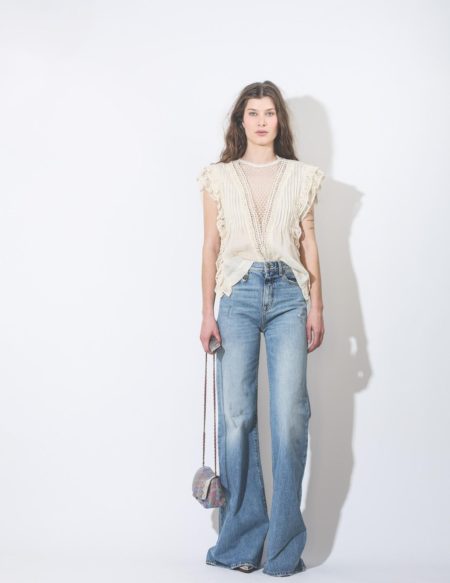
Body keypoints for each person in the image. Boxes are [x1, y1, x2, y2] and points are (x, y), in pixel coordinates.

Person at [197, 80, 325, 577]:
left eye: (269, 112)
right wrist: (206, 312)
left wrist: (317, 307)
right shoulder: (218, 177)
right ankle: (242, 541)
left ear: (279, 120)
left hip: (290, 296)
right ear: (241, 121)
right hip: (237, 296)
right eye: (252, 112)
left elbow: (309, 242)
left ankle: (283, 549)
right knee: (236, 418)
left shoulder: (300, 175)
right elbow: (210, 246)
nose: (261, 121)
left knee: (290, 416)